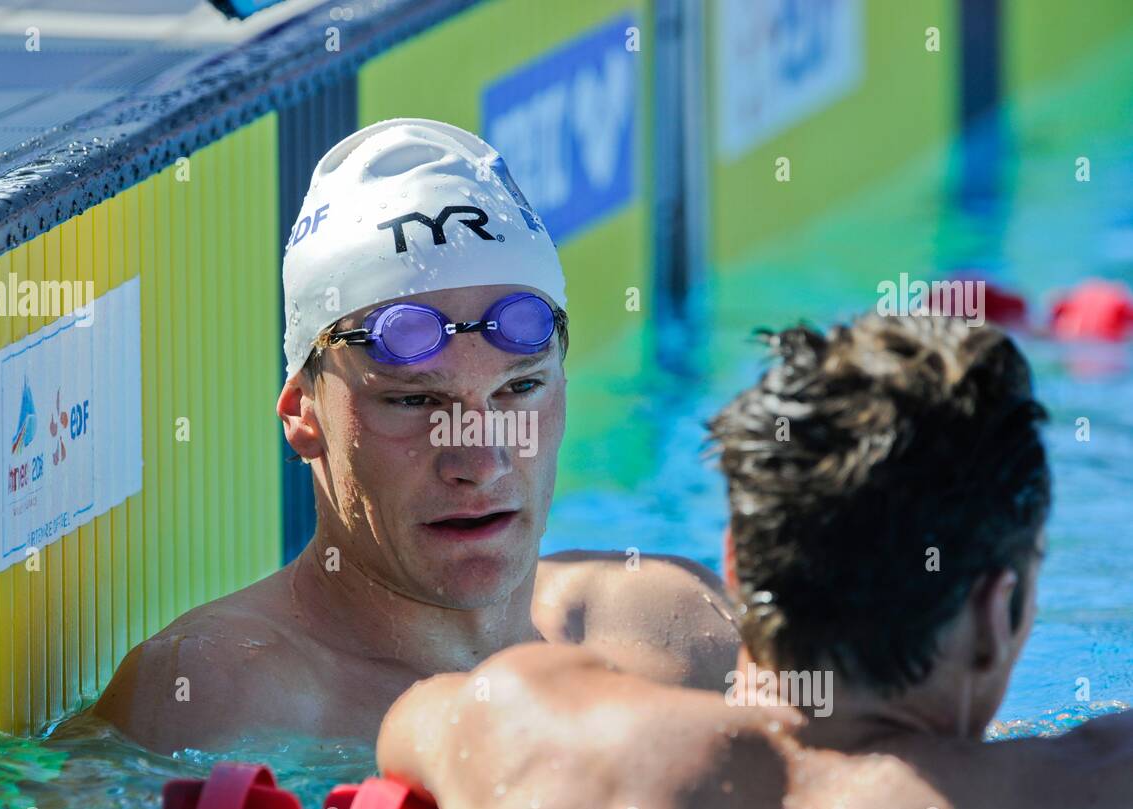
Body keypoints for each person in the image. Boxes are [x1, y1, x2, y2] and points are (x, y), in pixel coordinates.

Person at [377, 313, 1133, 809]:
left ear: (736, 563)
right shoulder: (1076, 808)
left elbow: (407, 728)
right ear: (1000, 609)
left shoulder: (513, 719)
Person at [91, 119, 738, 751]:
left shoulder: (677, 634)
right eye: (415, 400)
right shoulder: (216, 700)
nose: (480, 462)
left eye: (518, 389)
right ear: (303, 415)